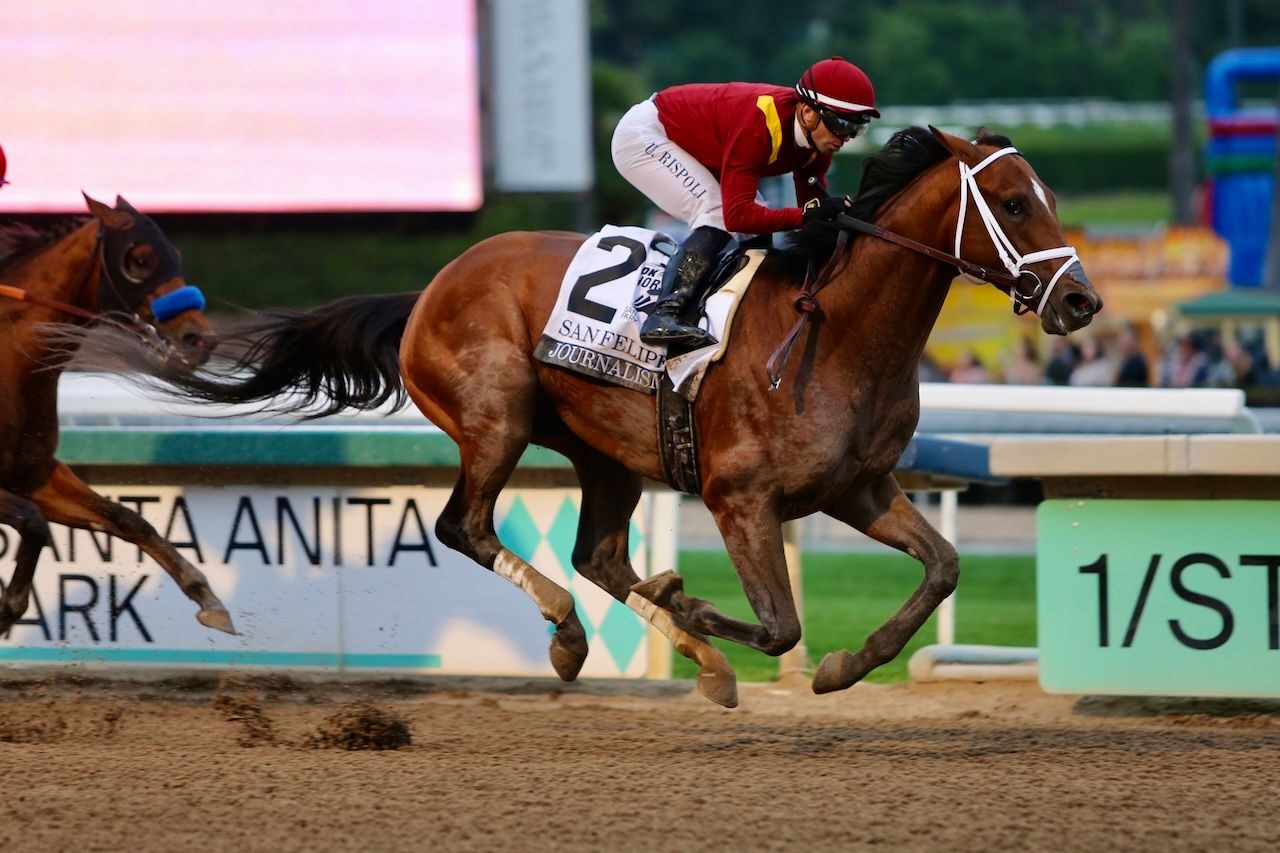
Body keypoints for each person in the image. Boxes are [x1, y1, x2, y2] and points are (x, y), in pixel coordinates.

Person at [611, 57, 879, 348]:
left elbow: (811, 209)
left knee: (757, 227)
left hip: (695, 143)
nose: (846, 137)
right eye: (840, 124)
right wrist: (808, 214)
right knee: (716, 213)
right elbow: (737, 216)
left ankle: (746, 311)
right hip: (645, 135)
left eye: (856, 128)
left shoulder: (819, 142)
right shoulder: (759, 124)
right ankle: (663, 316)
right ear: (807, 113)